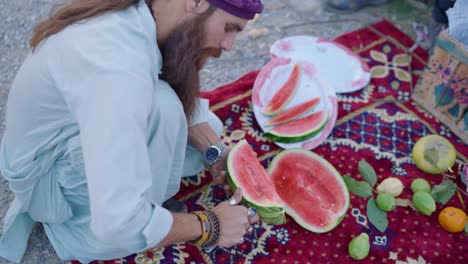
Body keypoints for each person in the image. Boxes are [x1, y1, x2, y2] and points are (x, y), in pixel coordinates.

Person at [0, 0, 263, 263]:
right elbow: (116, 224)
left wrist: (213, 151)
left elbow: (170, 86)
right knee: (167, 109)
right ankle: (78, 226)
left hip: (67, 134)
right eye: (229, 27)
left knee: (183, 114)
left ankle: (146, 210)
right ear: (195, 3)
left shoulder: (145, 14)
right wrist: (208, 226)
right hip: (47, 180)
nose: (229, 45)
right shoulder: (118, 72)